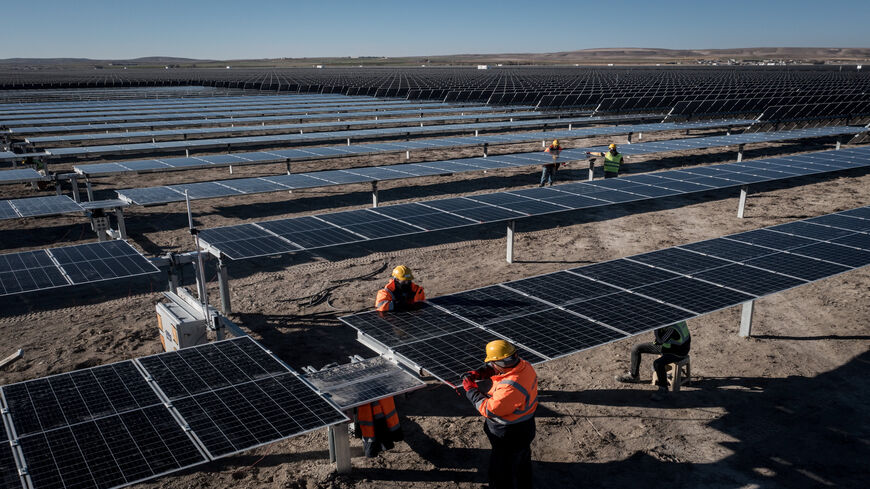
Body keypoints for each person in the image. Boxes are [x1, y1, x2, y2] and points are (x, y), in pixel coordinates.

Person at [462, 340, 538, 489]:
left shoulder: (510, 387)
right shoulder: (524, 366)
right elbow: (504, 365)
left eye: (492, 363)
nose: (491, 366)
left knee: (501, 471)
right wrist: (481, 372)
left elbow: (488, 408)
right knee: (521, 462)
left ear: (498, 363)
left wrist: (470, 390)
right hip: (525, 427)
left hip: (509, 434)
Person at [616, 321, 691, 400]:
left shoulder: (672, 328)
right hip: (667, 346)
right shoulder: (671, 319)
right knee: (636, 348)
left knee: (658, 364)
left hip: (678, 352)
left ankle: (663, 389)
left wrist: (656, 328)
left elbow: (660, 341)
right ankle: (634, 376)